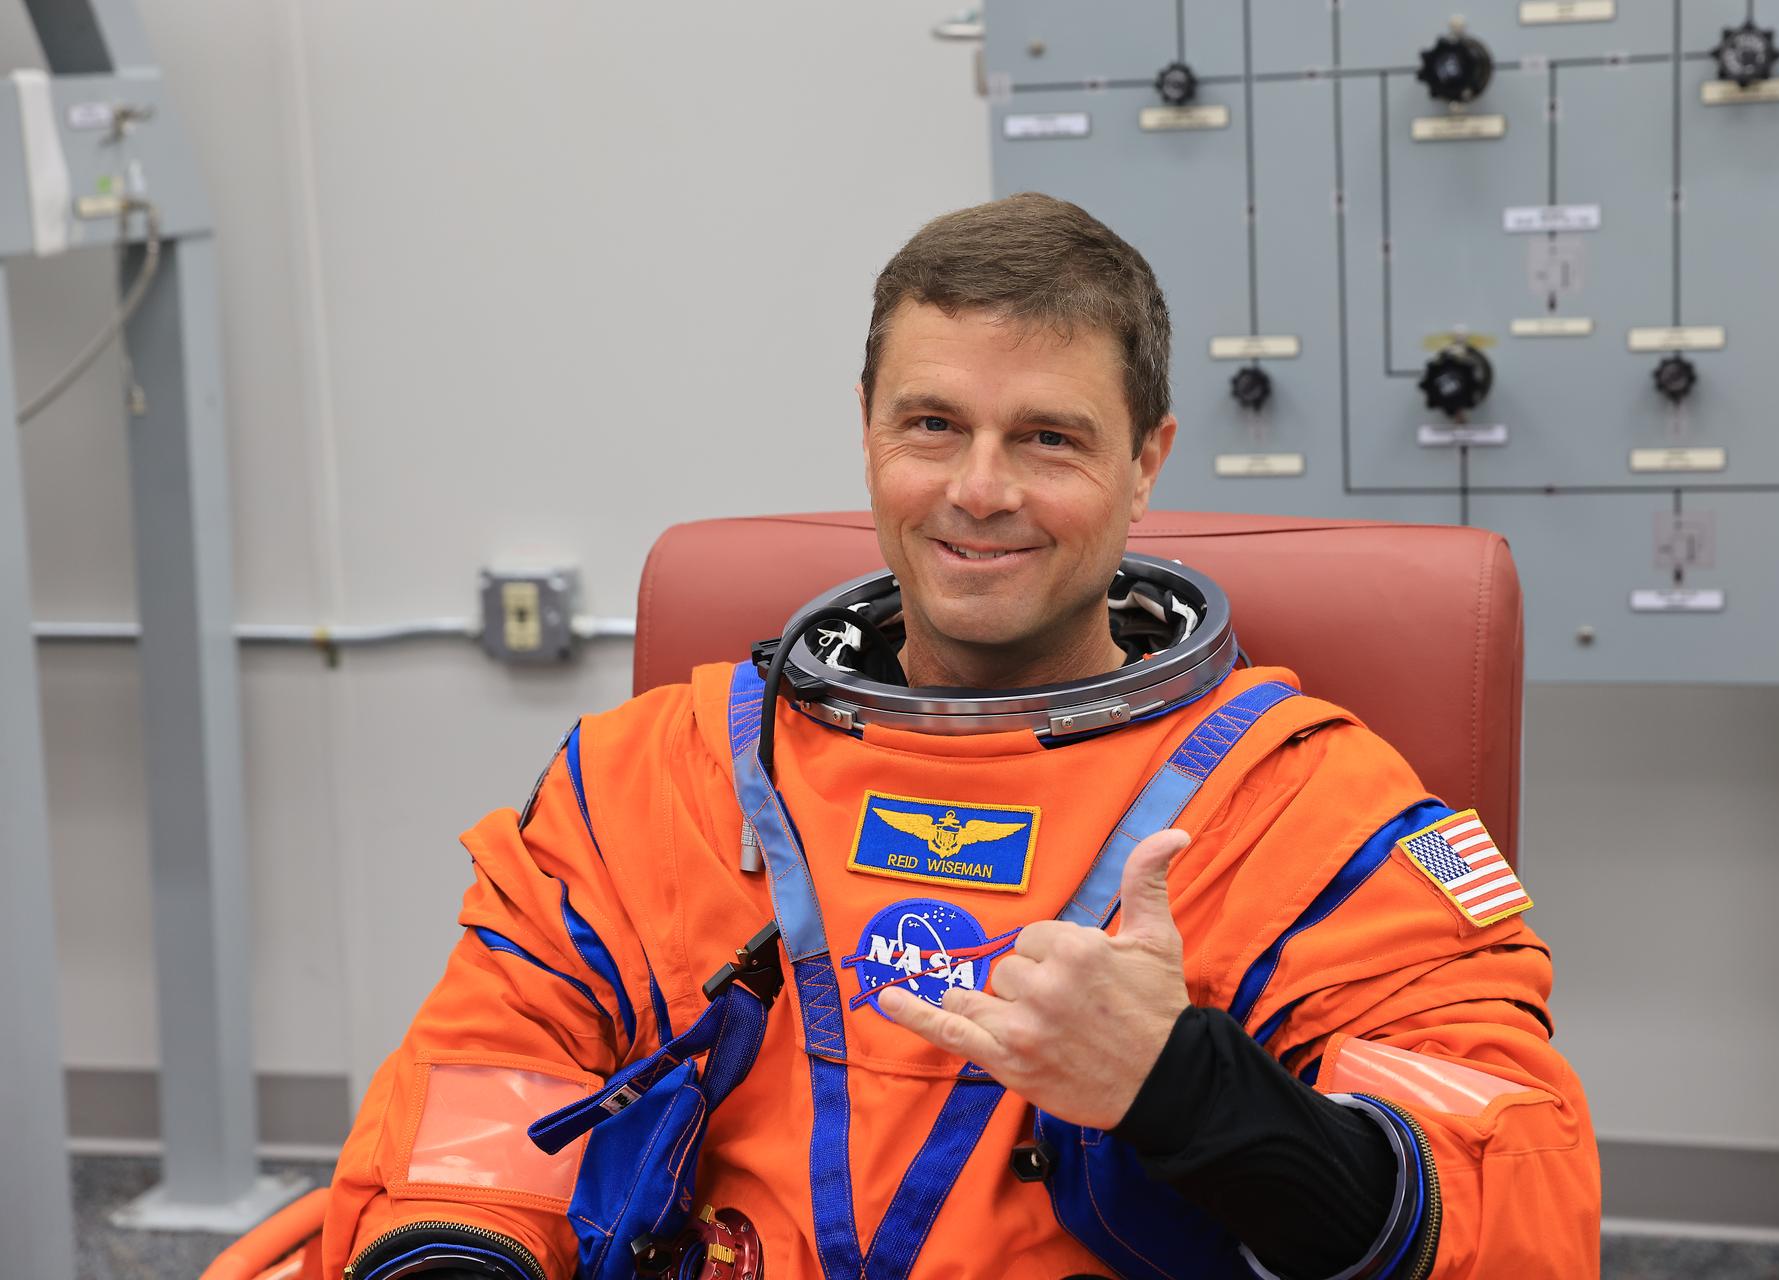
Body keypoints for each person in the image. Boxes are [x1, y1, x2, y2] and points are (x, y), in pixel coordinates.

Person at [323, 193, 1600, 1280]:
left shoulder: (1305, 803)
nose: (978, 490)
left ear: (1148, 461)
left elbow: (1520, 1202)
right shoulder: (661, 773)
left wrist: (1191, 1091)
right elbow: (477, 1097)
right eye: (932, 424)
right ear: (870, 428)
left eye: (1048, 438)